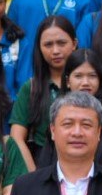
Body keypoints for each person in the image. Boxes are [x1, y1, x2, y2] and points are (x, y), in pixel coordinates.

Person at [10, 16, 78, 169]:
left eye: (61, 43)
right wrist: (34, 176)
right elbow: (17, 137)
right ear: (39, 48)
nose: (55, 51)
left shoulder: (86, 84)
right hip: (41, 163)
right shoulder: (31, 88)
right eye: (48, 44)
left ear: (74, 44)